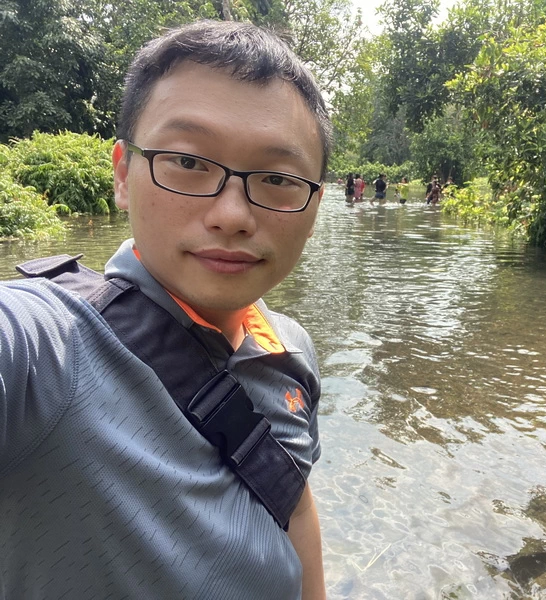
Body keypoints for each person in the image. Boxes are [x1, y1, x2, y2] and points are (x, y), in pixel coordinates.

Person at [0, 20, 330, 600]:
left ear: (315, 203)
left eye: (277, 178)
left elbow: (293, 502)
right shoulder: (47, 347)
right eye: (188, 162)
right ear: (123, 175)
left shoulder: (291, 349)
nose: (232, 215)